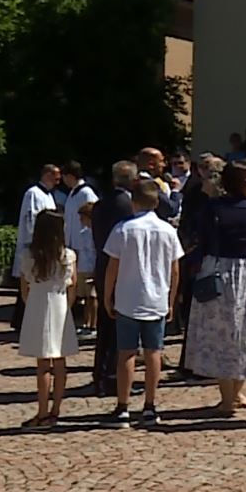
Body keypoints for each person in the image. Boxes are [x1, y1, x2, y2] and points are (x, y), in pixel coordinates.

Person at [184, 161, 246, 415]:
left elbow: (201, 236)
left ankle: (228, 396)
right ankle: (235, 393)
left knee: (221, 332)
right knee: (245, 330)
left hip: (219, 268)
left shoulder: (213, 208)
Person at [103, 179, 184, 428]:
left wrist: (108, 295)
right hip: (157, 297)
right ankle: (150, 405)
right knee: (154, 352)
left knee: (126, 352)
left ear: (133, 201)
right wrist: (171, 300)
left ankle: (123, 406)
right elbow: (175, 270)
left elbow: (112, 268)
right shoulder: (168, 231)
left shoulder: (122, 229)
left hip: (128, 297)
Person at [17, 211, 78, 428]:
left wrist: (31, 303)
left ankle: (42, 412)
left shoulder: (29, 255)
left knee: (43, 363)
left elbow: (24, 287)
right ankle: (55, 410)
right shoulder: (68, 256)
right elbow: (73, 286)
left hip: (38, 304)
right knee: (60, 361)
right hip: (60, 304)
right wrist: (66, 307)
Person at [90, 161, 138, 396]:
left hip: (102, 265)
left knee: (105, 325)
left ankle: (101, 374)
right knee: (119, 326)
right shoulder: (127, 205)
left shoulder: (101, 204)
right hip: (120, 268)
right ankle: (111, 378)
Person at [11, 165, 62, 329]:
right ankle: (21, 321)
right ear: (47, 175)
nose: (58, 181)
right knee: (29, 281)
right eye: (55, 177)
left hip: (47, 244)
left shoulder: (49, 195)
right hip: (36, 244)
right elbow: (31, 219)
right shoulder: (33, 193)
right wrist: (37, 241)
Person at [62, 162, 99, 329]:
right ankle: (84, 321)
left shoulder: (86, 193)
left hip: (85, 247)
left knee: (89, 291)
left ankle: (91, 323)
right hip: (73, 245)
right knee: (80, 289)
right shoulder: (71, 194)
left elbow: (91, 216)